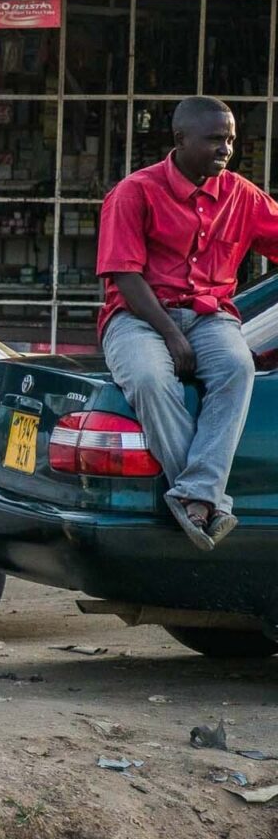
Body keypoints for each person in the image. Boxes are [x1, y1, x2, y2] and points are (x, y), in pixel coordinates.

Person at [96, 96, 278, 550]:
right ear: (180, 139)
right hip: (137, 315)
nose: (226, 149)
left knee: (238, 368)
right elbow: (125, 275)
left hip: (211, 316)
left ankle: (194, 495)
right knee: (148, 377)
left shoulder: (242, 195)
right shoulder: (134, 192)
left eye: (231, 140)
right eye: (216, 139)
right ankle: (203, 498)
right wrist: (171, 335)